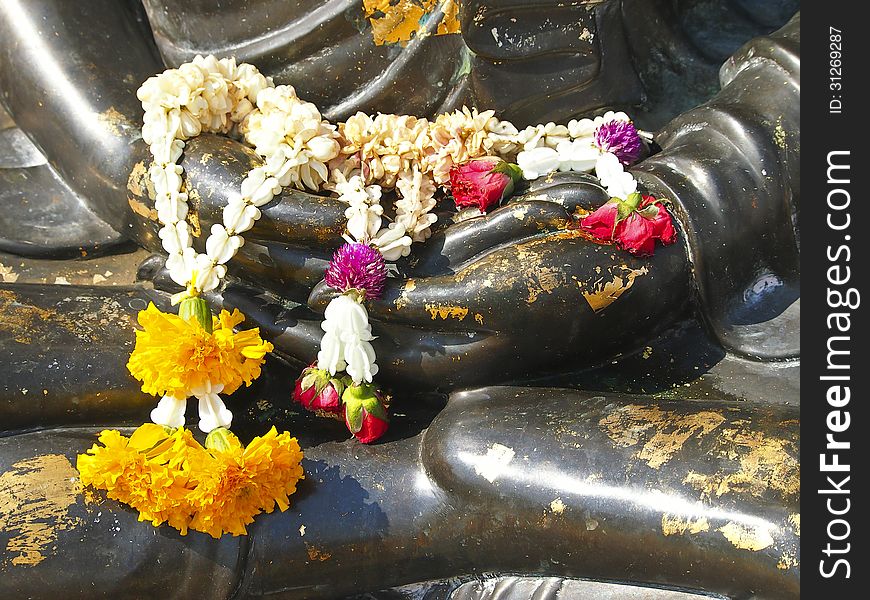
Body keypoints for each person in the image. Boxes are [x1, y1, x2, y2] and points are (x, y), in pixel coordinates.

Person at [0, 2, 799, 597]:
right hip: (216, 224)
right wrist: (137, 163)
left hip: (703, 195)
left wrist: (715, 192)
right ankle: (441, 483)